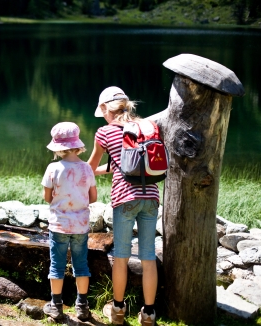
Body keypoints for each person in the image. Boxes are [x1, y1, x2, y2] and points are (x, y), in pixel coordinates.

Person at [87, 86, 159, 326]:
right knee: (148, 257)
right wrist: (101, 171)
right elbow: (126, 162)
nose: (104, 116)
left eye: (103, 112)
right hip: (150, 197)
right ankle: (149, 314)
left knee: (121, 257)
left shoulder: (105, 132)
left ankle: (118, 310)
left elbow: (90, 166)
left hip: (124, 198)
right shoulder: (146, 126)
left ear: (106, 108)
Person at [41, 122, 97, 322]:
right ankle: (82, 306)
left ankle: (56, 306)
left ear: (58, 147)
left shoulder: (53, 168)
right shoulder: (87, 168)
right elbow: (94, 197)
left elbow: (47, 197)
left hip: (58, 225)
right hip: (80, 225)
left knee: (56, 265)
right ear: (77, 144)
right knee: (81, 265)